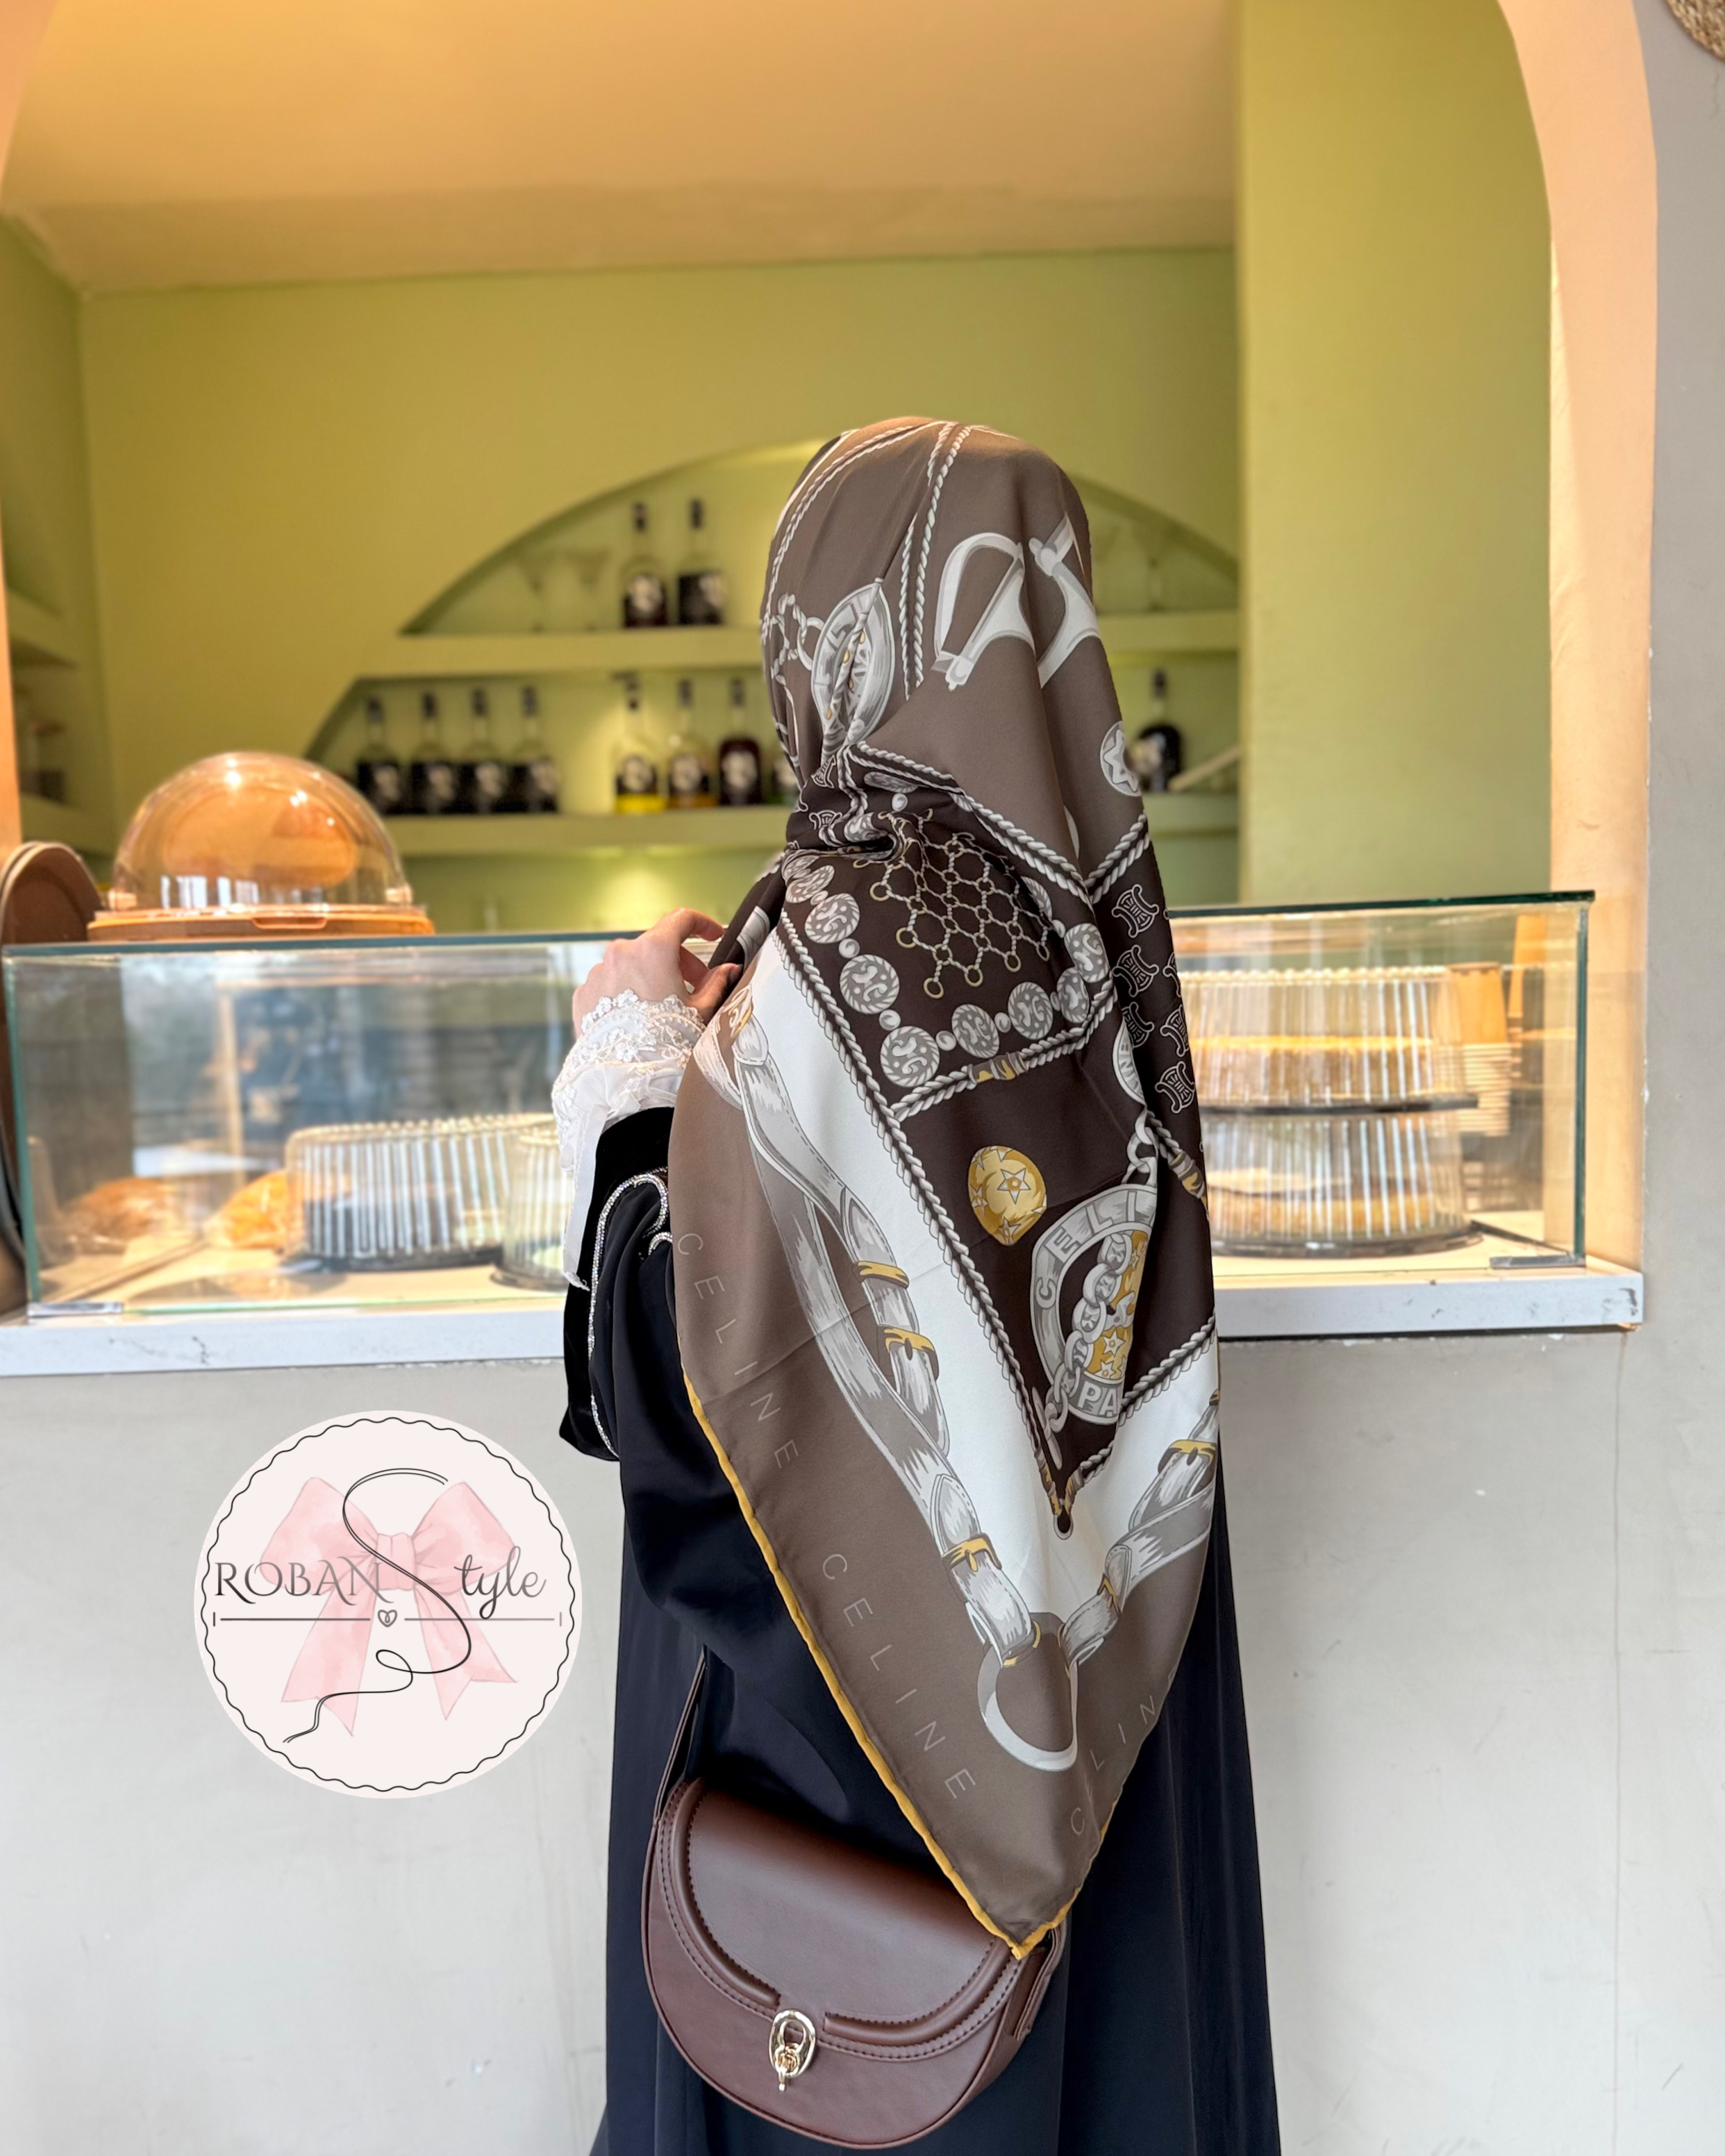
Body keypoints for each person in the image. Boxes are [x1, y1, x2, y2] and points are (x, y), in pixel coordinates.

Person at [556, 419, 1279, 2156]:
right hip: (1088, 1706)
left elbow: (682, 1380)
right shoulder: (1102, 934)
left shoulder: (840, 941)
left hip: (855, 1739)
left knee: (853, 2062)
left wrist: (632, 1070)